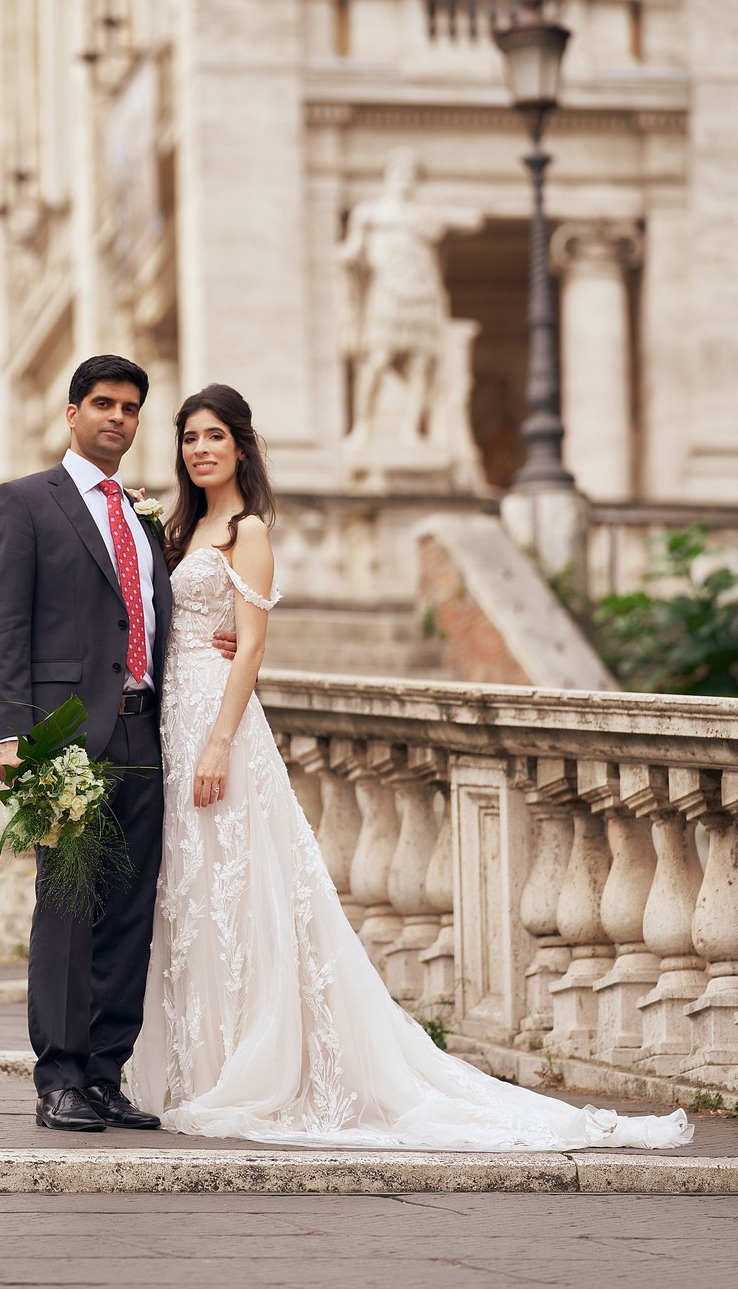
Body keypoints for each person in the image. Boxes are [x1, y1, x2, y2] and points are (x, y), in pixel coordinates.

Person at [127, 384, 693, 1152]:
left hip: (217, 727)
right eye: (190, 436)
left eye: (214, 436)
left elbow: (252, 646)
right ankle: (197, 1060)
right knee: (192, 891)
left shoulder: (249, 530)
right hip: (171, 715)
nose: (200, 449)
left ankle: (250, 1065)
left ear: (240, 447)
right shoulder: (177, 528)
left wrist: (220, 742)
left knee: (239, 887)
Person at [0, 353, 233, 1132]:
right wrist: (9, 734)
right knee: (67, 904)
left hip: (145, 729)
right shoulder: (24, 503)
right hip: (63, 738)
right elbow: (5, 628)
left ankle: (104, 1073)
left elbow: (151, 616)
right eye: (102, 405)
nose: (117, 418)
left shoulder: (143, 515)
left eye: (129, 408)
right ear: (71, 413)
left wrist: (206, 642)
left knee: (130, 909)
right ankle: (57, 1077)